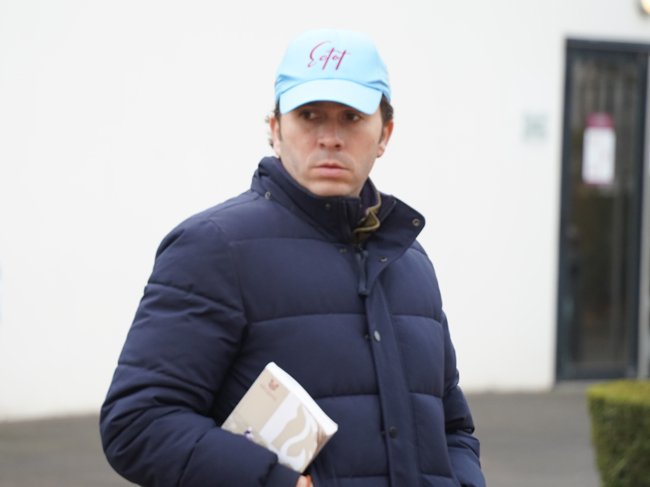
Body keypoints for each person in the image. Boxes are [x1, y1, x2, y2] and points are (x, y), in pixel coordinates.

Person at [100, 28, 485, 487]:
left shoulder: (408, 258)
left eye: (351, 117)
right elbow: (138, 423)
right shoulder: (213, 247)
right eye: (309, 115)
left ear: (385, 133)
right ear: (275, 130)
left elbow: (452, 426)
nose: (331, 137)